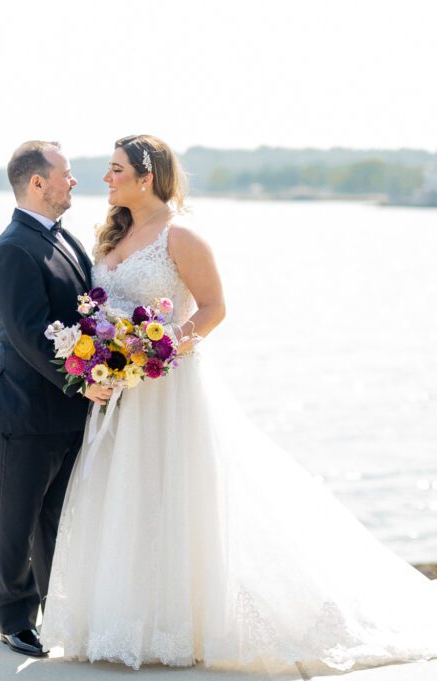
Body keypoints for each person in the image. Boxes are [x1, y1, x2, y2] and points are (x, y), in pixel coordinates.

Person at [40, 134, 437, 673]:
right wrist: (105, 360)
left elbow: (212, 308)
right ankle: (130, 619)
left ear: (146, 175)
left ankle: (184, 623)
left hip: (168, 387)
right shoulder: (112, 235)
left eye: (115, 169)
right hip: (121, 396)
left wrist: (155, 352)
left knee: (177, 497)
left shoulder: (181, 236)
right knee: (128, 498)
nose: (105, 179)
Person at [0, 140, 111, 657]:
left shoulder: (65, 238)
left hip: (67, 413)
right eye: (66, 175)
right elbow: (28, 334)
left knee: (54, 518)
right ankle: (14, 621)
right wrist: (82, 380)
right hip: (19, 413)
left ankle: (56, 613)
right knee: (14, 521)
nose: (74, 182)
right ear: (37, 183)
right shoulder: (12, 248)